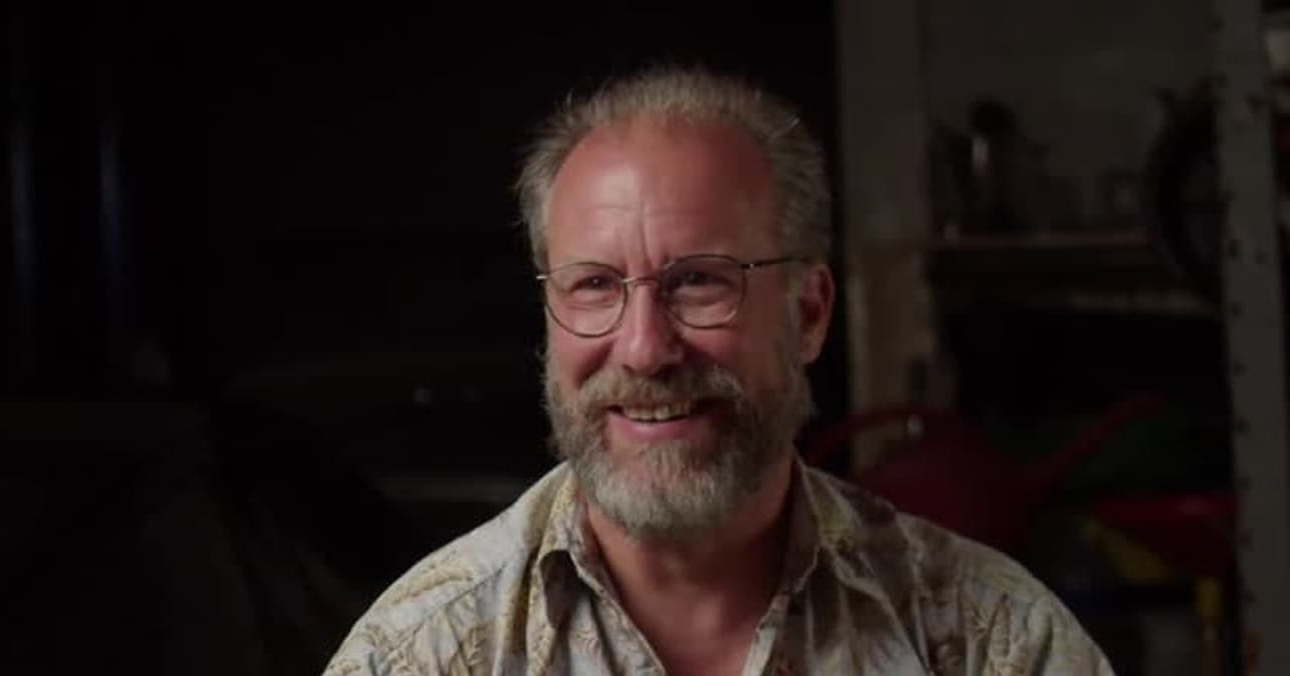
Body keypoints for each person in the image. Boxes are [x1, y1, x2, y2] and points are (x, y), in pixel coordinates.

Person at [321, 66, 1113, 675]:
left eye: (699, 281)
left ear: (809, 314)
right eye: (594, 285)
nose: (644, 348)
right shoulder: (422, 655)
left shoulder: (994, 645)